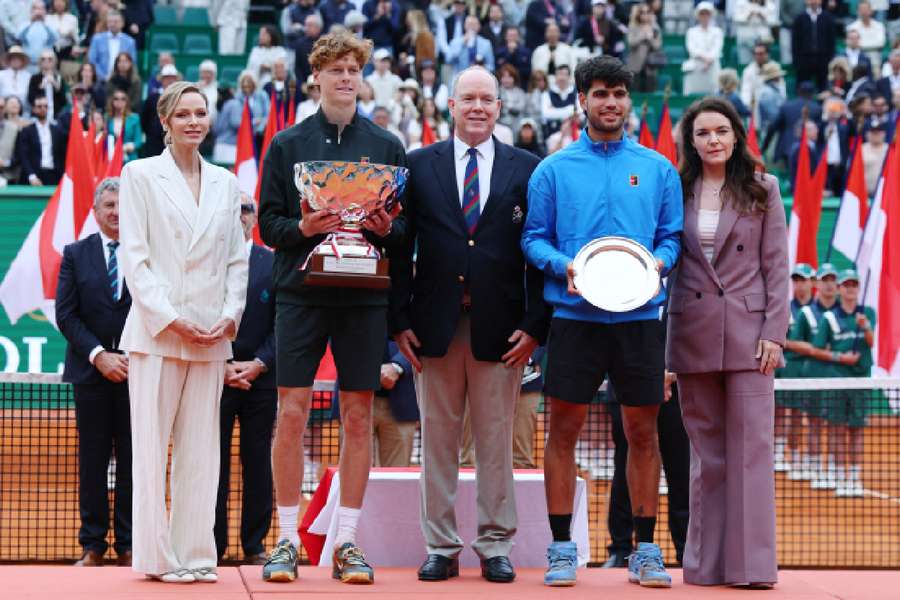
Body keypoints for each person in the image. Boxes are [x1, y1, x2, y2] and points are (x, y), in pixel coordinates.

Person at [522, 55, 683, 588]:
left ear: (628, 102)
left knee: (643, 431)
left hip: (639, 318)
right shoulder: (552, 170)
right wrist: (562, 265)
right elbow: (533, 239)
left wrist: (657, 263)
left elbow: (671, 238)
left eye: (618, 93)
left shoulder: (659, 169)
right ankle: (562, 546)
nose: (609, 102)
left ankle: (644, 548)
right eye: (599, 94)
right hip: (574, 318)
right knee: (563, 430)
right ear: (582, 101)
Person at [258, 30, 406, 585]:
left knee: (359, 415)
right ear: (315, 77)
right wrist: (303, 226)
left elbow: (404, 231)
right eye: (335, 69)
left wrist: (388, 228)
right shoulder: (287, 145)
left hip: (365, 296)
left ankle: (346, 541)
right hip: (300, 294)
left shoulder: (387, 147)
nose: (346, 77)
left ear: (362, 78)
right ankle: (288, 538)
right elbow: (268, 225)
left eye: (353, 69)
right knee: (292, 411)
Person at [391, 64, 548, 584]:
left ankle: (495, 543)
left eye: (487, 98)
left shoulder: (528, 168)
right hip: (433, 328)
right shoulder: (417, 166)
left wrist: (535, 325)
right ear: (450, 106)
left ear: (500, 107)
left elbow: (539, 253)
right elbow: (399, 250)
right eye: (468, 98)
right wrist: (398, 322)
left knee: (496, 442)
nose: (478, 107)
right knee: (435, 441)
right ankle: (440, 545)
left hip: (501, 333)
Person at [118, 81, 248, 583]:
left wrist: (229, 317)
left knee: (202, 453)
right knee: (150, 451)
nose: (194, 121)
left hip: (213, 338)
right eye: (184, 114)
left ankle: (196, 555)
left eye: (201, 113)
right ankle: (156, 559)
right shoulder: (139, 175)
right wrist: (170, 318)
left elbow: (237, 261)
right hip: (156, 337)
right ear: (166, 122)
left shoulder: (225, 182)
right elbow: (136, 258)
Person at [668, 96, 789, 588]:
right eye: (703, 133)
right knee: (707, 457)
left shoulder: (765, 188)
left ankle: (751, 568)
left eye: (721, 130)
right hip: (692, 333)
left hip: (750, 337)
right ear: (691, 142)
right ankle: (704, 566)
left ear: (736, 135)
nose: (713, 140)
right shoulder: (674, 189)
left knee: (750, 454)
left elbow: (777, 267)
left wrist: (774, 335)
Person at [57, 177, 133, 568]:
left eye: (122, 204)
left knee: (136, 461)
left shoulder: (146, 252)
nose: (116, 212)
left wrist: (131, 358)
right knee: (93, 461)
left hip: (139, 375)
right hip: (91, 377)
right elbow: (66, 315)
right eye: (109, 205)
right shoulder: (74, 254)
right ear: (96, 211)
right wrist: (100, 355)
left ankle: (129, 544)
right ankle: (93, 545)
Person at [214, 197, 278, 565]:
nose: (239, 215)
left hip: (261, 381)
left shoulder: (273, 263)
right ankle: (212, 545)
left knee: (257, 464)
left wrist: (259, 363)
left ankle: (254, 546)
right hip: (213, 378)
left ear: (255, 219)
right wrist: (221, 363)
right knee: (213, 465)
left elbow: (283, 322)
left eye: (246, 210)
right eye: (232, 209)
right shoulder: (208, 264)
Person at [813, 269, 876, 498]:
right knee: (837, 429)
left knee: (857, 430)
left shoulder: (867, 313)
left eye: (854, 285)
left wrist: (866, 327)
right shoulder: (829, 318)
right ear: (840, 289)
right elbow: (818, 349)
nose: (850, 289)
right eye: (846, 285)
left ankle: (855, 478)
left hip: (860, 380)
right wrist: (840, 358)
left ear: (858, 288)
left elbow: (871, 342)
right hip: (836, 379)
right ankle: (841, 477)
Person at [17, 93, 66, 186]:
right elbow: (24, 155)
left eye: (46, 106)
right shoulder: (27, 131)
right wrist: (31, 176)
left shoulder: (57, 130)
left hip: (54, 174)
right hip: (34, 175)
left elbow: (62, 154)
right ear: (34, 109)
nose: (43, 109)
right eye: (39, 106)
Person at [792, 0, 836, 92]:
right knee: (803, 89)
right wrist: (797, 61)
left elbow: (831, 41)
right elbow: (795, 42)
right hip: (804, 59)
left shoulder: (828, 18)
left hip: (823, 59)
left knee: (823, 89)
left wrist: (830, 59)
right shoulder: (799, 18)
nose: (813, 1)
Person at [683, 2, 724, 96]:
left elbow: (717, 48)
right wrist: (705, 59)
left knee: (714, 94)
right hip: (696, 66)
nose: (705, 16)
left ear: (711, 15)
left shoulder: (717, 31)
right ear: (698, 15)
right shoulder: (691, 32)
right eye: (702, 13)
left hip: (713, 67)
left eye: (707, 13)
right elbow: (692, 49)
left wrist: (709, 60)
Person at [87, 10, 136, 81]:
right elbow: (92, 61)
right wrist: (103, 77)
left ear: (122, 23)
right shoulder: (97, 39)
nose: (112, 24)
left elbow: (132, 63)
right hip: (99, 80)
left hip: (122, 81)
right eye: (110, 22)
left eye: (115, 22)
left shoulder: (130, 42)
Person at [625, 2, 662, 94]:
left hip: (650, 66)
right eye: (642, 12)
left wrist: (650, 38)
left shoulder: (655, 27)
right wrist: (641, 36)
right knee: (635, 93)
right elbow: (630, 43)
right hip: (635, 66)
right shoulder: (633, 26)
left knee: (650, 93)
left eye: (647, 12)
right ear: (638, 14)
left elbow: (658, 46)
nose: (645, 14)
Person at [847, 0, 887, 75]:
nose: (864, 12)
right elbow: (851, 44)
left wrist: (860, 45)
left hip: (875, 64)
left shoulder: (879, 26)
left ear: (871, 11)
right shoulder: (852, 27)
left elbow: (881, 43)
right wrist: (872, 45)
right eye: (861, 9)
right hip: (856, 65)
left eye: (866, 9)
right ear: (858, 11)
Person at [27, 50, 66, 123]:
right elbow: (30, 99)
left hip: (55, 117)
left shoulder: (59, 78)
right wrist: (41, 86)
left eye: (50, 59)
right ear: (40, 62)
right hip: (38, 118)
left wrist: (55, 85)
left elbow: (63, 101)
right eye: (43, 59)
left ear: (55, 62)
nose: (46, 61)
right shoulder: (34, 78)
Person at [106, 89, 143, 163]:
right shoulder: (108, 119)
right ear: (112, 101)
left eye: (123, 99)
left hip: (130, 158)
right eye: (116, 98)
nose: (120, 101)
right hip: (112, 159)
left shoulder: (134, 118)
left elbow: (139, 141)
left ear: (127, 102)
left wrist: (126, 147)